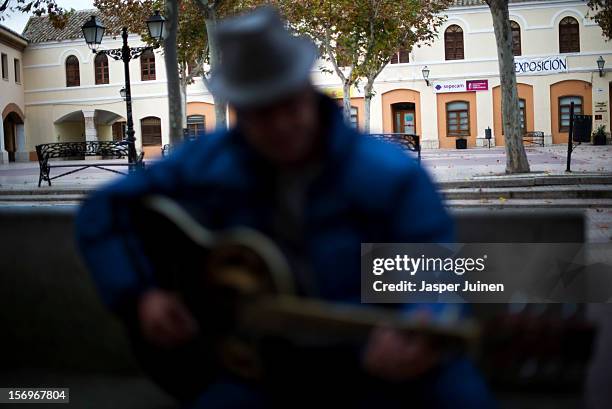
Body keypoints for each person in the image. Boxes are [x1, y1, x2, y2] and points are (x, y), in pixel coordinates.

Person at [76, 6, 495, 409]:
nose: (279, 124)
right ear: (239, 109)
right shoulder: (209, 159)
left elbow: (431, 268)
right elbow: (103, 210)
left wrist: (423, 321)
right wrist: (141, 296)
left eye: (288, 104)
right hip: (258, 368)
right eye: (260, 112)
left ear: (308, 90)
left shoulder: (391, 175)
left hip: (374, 361)